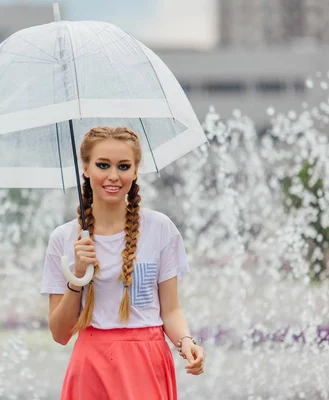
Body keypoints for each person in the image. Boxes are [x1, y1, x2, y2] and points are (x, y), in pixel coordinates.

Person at [41, 126, 206, 400]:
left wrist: (186, 343)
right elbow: (60, 333)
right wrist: (77, 275)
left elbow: (171, 311)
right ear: (85, 168)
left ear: (135, 170)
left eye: (124, 166)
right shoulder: (63, 238)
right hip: (90, 367)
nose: (113, 176)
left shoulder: (160, 228)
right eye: (103, 165)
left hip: (147, 363)